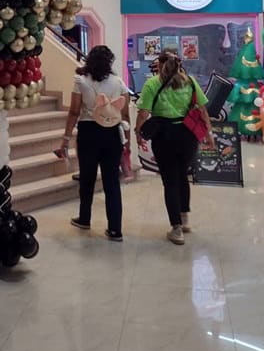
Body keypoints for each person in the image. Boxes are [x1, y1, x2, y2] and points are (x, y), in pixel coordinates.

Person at [135, 52, 214, 245]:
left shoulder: (152, 84)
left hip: (164, 135)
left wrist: (138, 133)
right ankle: (184, 217)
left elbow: (144, 113)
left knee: (170, 181)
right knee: (182, 176)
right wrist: (209, 134)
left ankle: (176, 227)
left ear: (159, 64)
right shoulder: (190, 81)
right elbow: (202, 109)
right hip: (187, 135)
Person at [59, 45, 129, 241]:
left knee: (87, 178)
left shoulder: (80, 80)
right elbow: (123, 111)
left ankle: (84, 218)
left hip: (88, 132)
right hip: (112, 133)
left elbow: (74, 111)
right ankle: (115, 229)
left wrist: (65, 138)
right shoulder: (118, 81)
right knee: (112, 182)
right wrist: (128, 139)